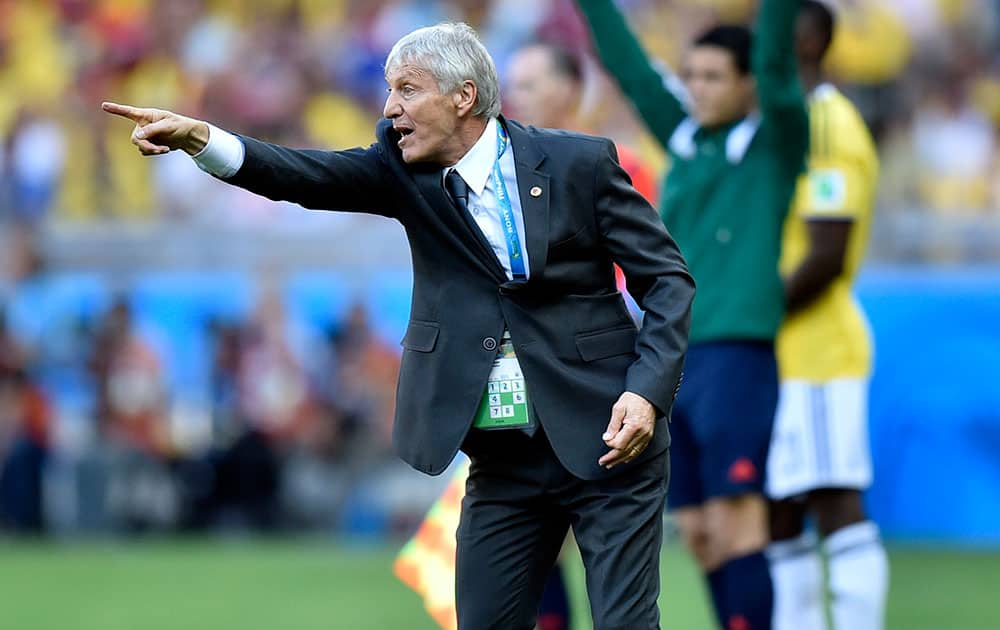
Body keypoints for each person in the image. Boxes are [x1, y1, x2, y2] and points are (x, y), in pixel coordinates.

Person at [104, 21, 694, 630]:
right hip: (502, 459)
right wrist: (202, 138)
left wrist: (646, 392)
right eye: (390, 91)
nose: (390, 109)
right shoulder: (401, 169)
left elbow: (667, 280)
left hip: (608, 435)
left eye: (407, 90)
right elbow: (303, 176)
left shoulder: (580, 163)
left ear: (462, 97)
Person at [394, 39, 665, 630]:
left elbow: (650, 276)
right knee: (519, 573)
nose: (519, 95)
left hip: (596, 400)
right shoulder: (438, 171)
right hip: (505, 425)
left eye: (534, 82)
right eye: (514, 83)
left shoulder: (600, 161)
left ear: (570, 89)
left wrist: (644, 384)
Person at [575, 1, 808, 629]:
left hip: (738, 352)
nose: (697, 89)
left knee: (739, 518)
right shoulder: (685, 137)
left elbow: (778, 61)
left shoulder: (773, 141)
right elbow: (628, 66)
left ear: (747, 84)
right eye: (692, 75)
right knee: (702, 530)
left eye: (713, 77)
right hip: (676, 356)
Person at [766, 3, 889, 630]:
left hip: (816, 349)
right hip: (784, 353)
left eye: (772, 35)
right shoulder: (794, 122)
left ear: (806, 40)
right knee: (780, 513)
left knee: (835, 502)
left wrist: (745, 313)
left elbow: (826, 257)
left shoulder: (828, 126)